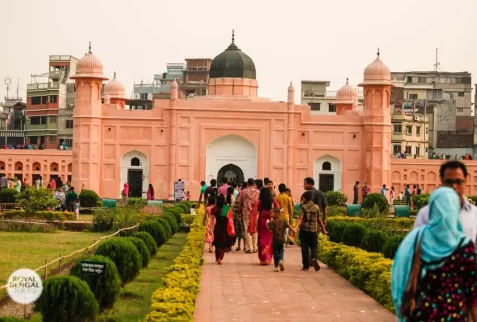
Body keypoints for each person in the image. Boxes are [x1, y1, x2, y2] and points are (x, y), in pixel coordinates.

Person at [392, 187, 477, 321]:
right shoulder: (464, 245)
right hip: (454, 315)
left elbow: (400, 277)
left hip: (423, 314)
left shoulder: (418, 239)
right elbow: (471, 293)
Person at [414, 161, 477, 243]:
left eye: (458, 181)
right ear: (441, 181)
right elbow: (417, 247)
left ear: (465, 180)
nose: (454, 186)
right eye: (449, 182)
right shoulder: (426, 214)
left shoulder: (474, 214)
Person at [295, 190, 327, 271]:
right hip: (314, 229)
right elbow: (319, 219)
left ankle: (306, 266)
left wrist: (296, 227)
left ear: (305, 198)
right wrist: (323, 229)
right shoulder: (316, 207)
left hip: (305, 230)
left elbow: (300, 218)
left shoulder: (304, 207)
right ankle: (314, 259)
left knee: (305, 247)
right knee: (314, 246)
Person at [268, 207, 294, 272]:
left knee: (275, 252)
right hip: (282, 239)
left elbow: (270, 229)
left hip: (275, 239)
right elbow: (288, 225)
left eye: (272, 213)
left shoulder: (273, 222)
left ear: (277, 213)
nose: (271, 214)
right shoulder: (283, 220)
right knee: (281, 251)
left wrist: (267, 224)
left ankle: (276, 267)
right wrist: (293, 230)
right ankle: (281, 260)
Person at [257, 187, 278, 265]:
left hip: (262, 222)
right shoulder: (273, 201)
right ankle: (268, 259)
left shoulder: (259, 202)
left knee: (261, 239)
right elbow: (278, 210)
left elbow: (255, 212)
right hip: (271, 221)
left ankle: (263, 259)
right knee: (269, 240)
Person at [238, 178, 260, 253]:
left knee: (247, 230)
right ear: (254, 184)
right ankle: (255, 247)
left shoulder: (243, 192)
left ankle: (249, 248)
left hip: (246, 212)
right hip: (255, 213)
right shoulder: (258, 192)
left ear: (247, 183)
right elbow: (259, 202)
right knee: (255, 229)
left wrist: (240, 210)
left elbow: (240, 202)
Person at [212, 194, 229, 265]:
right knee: (222, 243)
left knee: (217, 243)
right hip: (224, 227)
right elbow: (227, 217)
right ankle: (220, 258)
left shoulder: (215, 208)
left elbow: (212, 216)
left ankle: (217, 257)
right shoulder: (226, 208)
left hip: (217, 227)